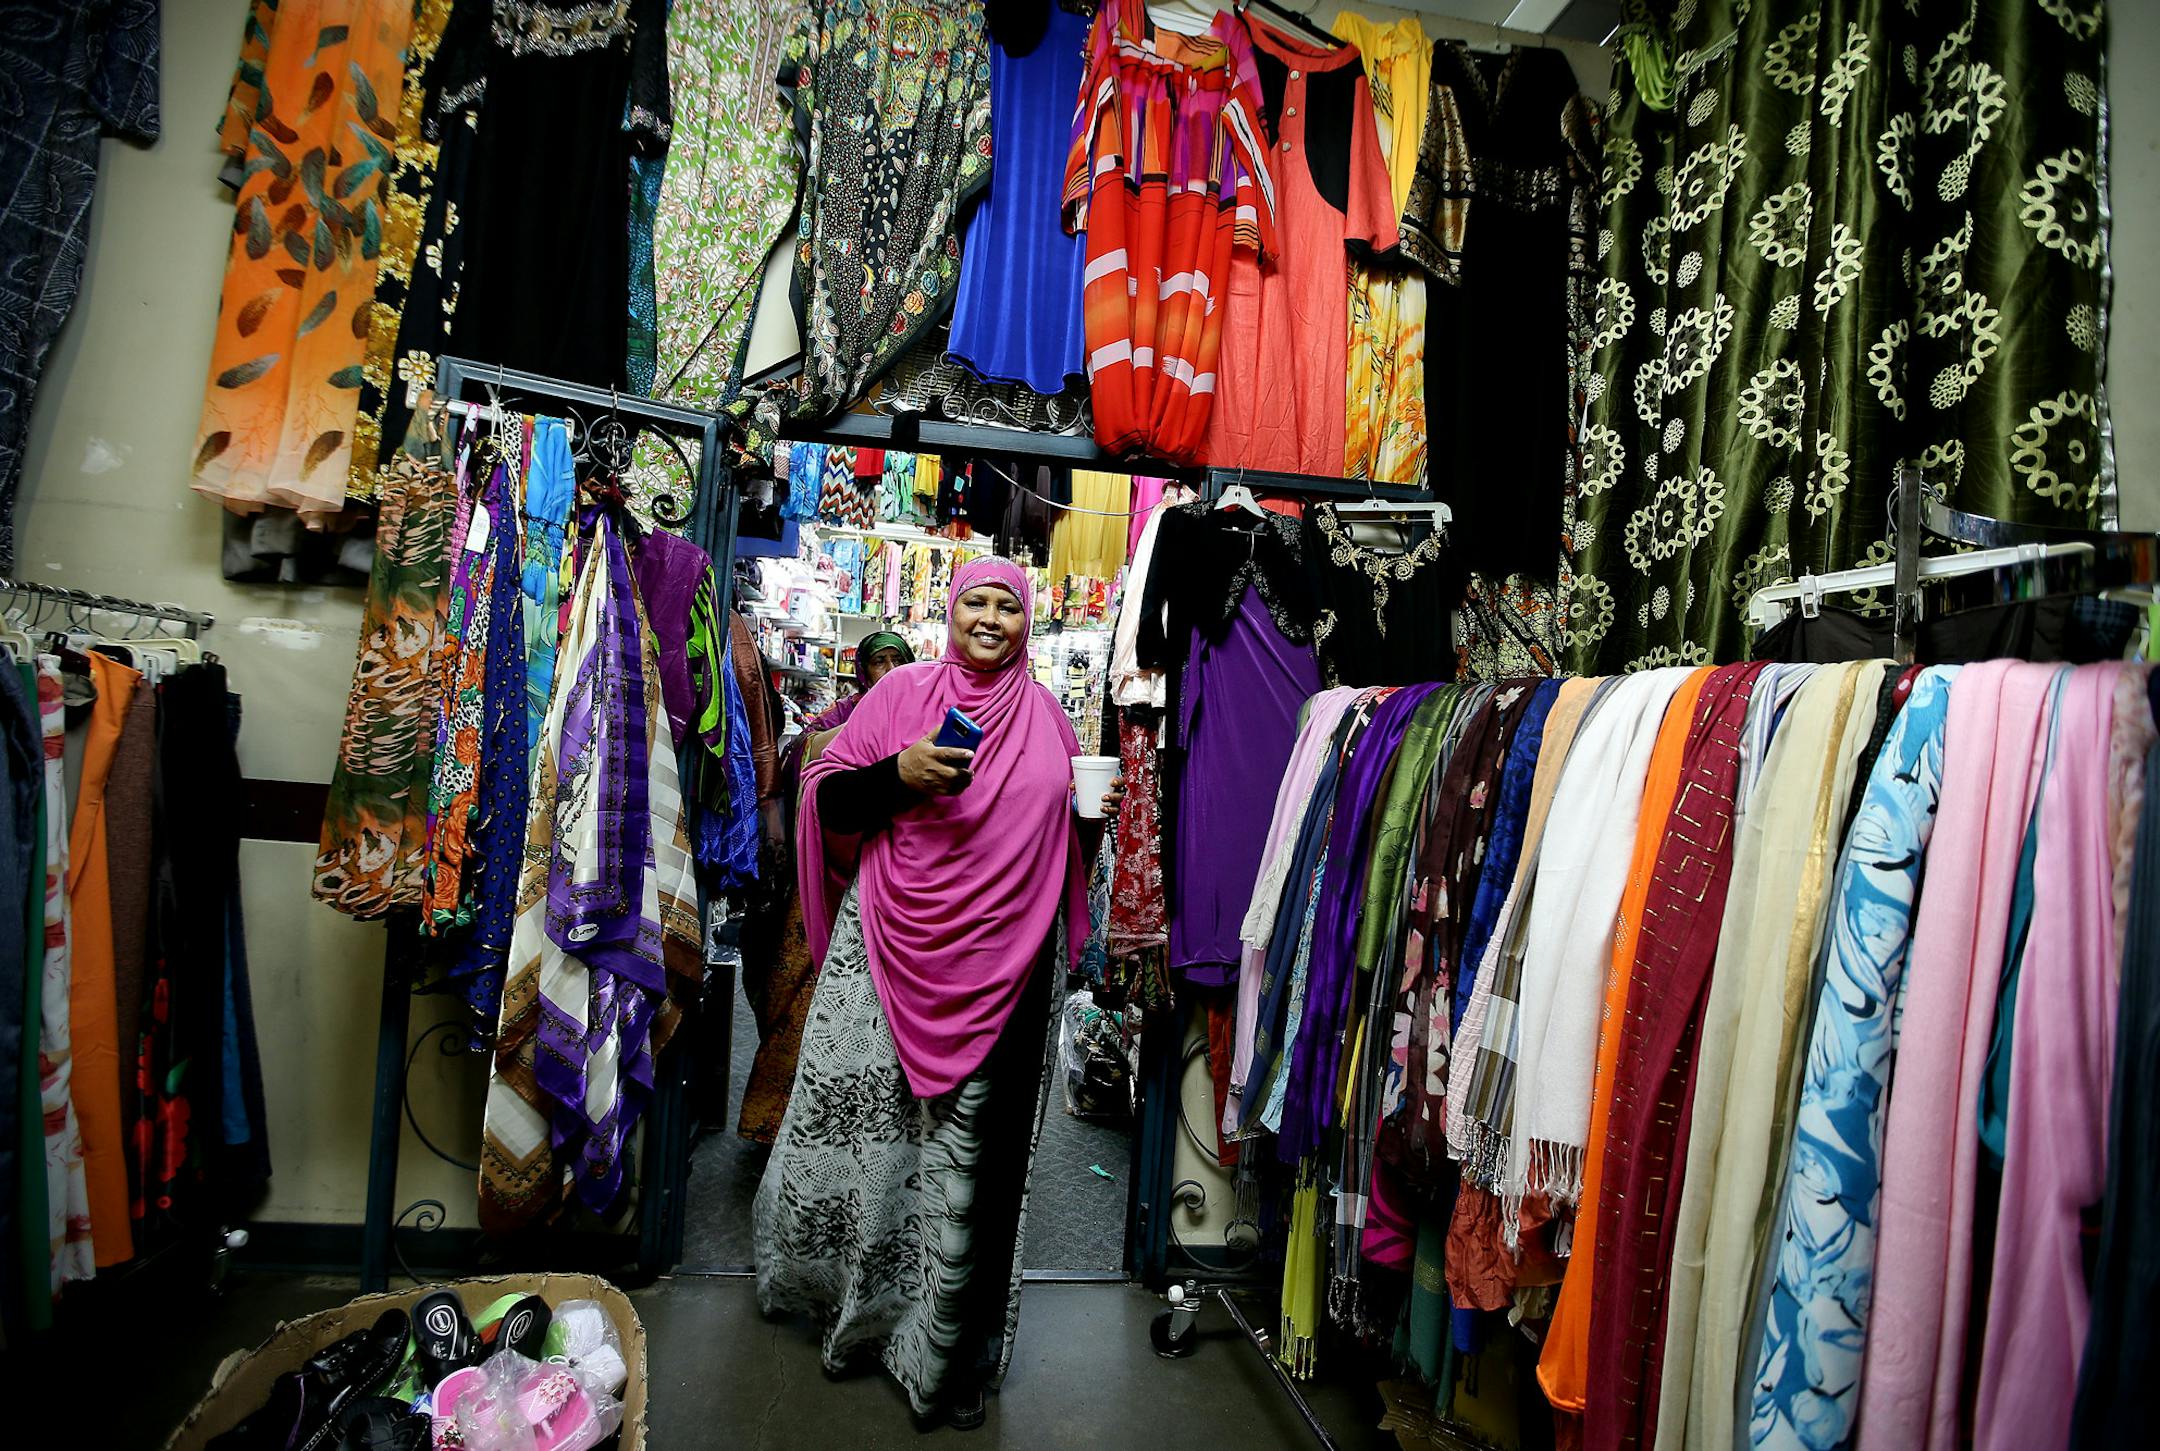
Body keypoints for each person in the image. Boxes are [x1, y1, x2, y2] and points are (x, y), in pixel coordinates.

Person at [754, 557, 1120, 1430]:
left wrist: (1091, 820)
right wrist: (898, 775)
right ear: (950, 613)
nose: (990, 620)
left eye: (1006, 607)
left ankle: (952, 1359)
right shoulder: (901, 697)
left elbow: (1067, 850)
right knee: (877, 1160)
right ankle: (860, 1311)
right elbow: (828, 800)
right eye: (974, 604)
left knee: (973, 1187)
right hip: (889, 954)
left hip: (1010, 980)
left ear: (1027, 621)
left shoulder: (1051, 724)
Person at [736, 630, 918, 1144]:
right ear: (862, 669)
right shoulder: (838, 718)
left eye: (894, 661)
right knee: (796, 990)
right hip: (823, 875)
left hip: (885, 879)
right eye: (876, 661)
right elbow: (799, 765)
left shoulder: (917, 715)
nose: (885, 671)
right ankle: (773, 1123)